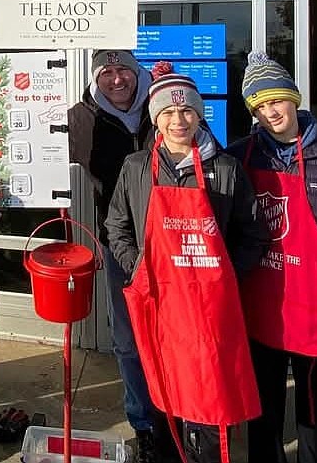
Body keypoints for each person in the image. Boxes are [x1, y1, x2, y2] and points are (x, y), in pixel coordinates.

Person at [105, 62, 268, 463]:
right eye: (168, 113)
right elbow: (116, 225)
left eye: (187, 111)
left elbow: (253, 233)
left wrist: (226, 276)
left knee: (211, 389)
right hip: (158, 299)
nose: (178, 120)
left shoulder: (226, 168)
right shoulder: (137, 167)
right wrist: (139, 266)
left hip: (210, 304)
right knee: (163, 385)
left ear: (199, 114)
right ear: (155, 118)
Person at [225, 51, 317, 463]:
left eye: (276, 99)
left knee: (312, 409)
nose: (271, 111)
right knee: (264, 408)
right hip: (261, 303)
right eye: (259, 106)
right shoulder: (240, 156)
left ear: (293, 98)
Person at [66, 49, 160, 461]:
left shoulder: (163, 103)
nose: (117, 79)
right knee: (129, 341)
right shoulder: (80, 117)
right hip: (119, 241)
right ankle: (144, 424)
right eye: (107, 72)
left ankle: (180, 414)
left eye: (124, 69)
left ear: (137, 72)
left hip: (173, 237)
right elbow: (34, 153)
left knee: (174, 334)